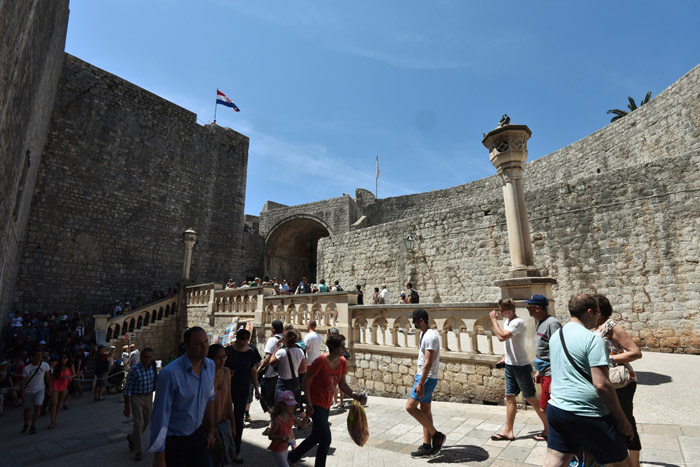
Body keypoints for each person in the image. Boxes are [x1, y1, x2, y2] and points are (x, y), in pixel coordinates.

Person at [544, 294, 633, 467]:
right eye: (598, 313)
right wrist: (622, 420)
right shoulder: (593, 340)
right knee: (623, 464)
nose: (599, 318)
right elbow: (601, 385)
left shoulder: (557, 335)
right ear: (590, 312)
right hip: (588, 414)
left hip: (557, 408)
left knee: (556, 460)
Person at [288, 333, 367, 467]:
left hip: (326, 404)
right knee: (326, 439)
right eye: (342, 346)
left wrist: (356, 396)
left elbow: (342, 384)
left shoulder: (342, 361)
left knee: (316, 436)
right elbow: (306, 380)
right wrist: (308, 402)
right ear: (334, 347)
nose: (344, 348)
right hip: (315, 403)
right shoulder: (320, 362)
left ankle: (292, 457)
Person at [148, 326, 216, 467]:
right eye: (198, 344)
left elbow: (209, 398)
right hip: (175, 441)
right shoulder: (170, 374)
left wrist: (210, 431)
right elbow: (160, 416)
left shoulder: (210, 366)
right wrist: (159, 456)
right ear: (187, 347)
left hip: (198, 435)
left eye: (206, 342)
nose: (204, 347)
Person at [593, 294, 643, 467]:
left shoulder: (612, 326)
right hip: (605, 381)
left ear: (598, 310)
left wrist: (610, 359)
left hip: (622, 382)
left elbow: (636, 352)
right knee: (609, 420)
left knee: (626, 420)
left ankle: (634, 463)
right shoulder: (594, 327)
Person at [489, 298, 549, 441]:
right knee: (510, 397)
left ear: (509, 310)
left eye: (501, 310)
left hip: (521, 366)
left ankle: (549, 429)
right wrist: (505, 357)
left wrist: (493, 321)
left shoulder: (518, 322)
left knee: (531, 398)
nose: (499, 312)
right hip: (510, 365)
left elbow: (502, 337)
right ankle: (508, 431)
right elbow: (509, 342)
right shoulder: (507, 322)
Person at [406, 309, 446, 457]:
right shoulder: (425, 334)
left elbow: (428, 362)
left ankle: (437, 436)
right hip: (425, 377)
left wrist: (421, 382)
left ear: (421, 320)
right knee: (425, 410)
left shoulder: (430, 336)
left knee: (410, 407)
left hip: (427, 378)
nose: (413, 323)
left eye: (415, 321)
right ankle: (426, 446)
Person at [225, 328, 261, 463]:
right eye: (243, 339)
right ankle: (222, 447)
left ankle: (236, 451)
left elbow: (253, 370)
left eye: (247, 339)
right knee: (224, 418)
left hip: (242, 388)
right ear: (238, 339)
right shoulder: (228, 351)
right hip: (227, 389)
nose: (245, 341)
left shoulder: (251, 352)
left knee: (238, 420)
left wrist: (257, 388)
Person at [525, 294, 562, 414]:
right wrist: (539, 371)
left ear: (537, 308)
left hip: (551, 372)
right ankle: (548, 432)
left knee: (545, 407)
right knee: (546, 407)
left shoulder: (553, 324)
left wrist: (554, 375)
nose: (527, 309)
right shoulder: (540, 322)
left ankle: (550, 432)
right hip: (544, 370)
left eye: (529, 307)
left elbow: (558, 349)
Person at [123, 347, 156, 461]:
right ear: (141, 357)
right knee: (139, 423)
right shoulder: (135, 369)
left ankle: (132, 437)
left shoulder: (153, 366)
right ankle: (138, 451)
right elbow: (127, 389)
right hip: (137, 397)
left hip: (149, 396)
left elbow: (155, 382)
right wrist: (127, 407)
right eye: (146, 357)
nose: (148, 359)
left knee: (146, 422)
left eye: (150, 357)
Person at [207, 343, 237, 467]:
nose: (222, 361)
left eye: (224, 357)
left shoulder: (226, 372)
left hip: (222, 422)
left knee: (221, 459)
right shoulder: (206, 374)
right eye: (218, 358)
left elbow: (229, 400)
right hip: (206, 425)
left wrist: (233, 425)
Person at [267, 390, 308, 467]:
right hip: (277, 449)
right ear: (282, 405)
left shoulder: (291, 416)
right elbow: (270, 436)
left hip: (285, 447)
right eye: (290, 404)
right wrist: (281, 437)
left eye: (293, 404)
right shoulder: (277, 421)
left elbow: (302, 424)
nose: (293, 406)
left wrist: (308, 415)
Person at [270, 330, 307, 403]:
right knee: (292, 404)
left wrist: (277, 347)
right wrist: (294, 371)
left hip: (282, 382)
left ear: (285, 340)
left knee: (280, 404)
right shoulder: (300, 351)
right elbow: (303, 369)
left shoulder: (281, 352)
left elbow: (272, 363)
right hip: (294, 381)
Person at [19, 350, 51, 434]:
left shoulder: (45, 365)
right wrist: (22, 392)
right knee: (27, 409)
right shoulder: (27, 368)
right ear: (32, 357)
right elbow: (23, 381)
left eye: (41, 355)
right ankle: (26, 424)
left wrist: (49, 387)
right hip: (28, 390)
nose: (40, 356)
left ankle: (33, 425)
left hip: (40, 389)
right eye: (37, 355)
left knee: (38, 406)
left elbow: (48, 377)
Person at [259, 320, 284, 413]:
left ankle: (276, 418)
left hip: (270, 374)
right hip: (280, 374)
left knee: (264, 400)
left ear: (273, 329)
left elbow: (267, 359)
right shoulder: (285, 339)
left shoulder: (272, 340)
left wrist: (259, 369)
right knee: (274, 400)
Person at [47, 353, 74, 429]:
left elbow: (74, 374)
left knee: (59, 403)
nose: (63, 359)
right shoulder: (57, 366)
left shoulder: (70, 365)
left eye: (65, 357)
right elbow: (52, 377)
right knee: (53, 403)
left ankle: (54, 419)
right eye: (62, 357)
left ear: (68, 358)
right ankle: (52, 421)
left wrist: (68, 377)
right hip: (55, 385)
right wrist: (49, 387)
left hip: (64, 386)